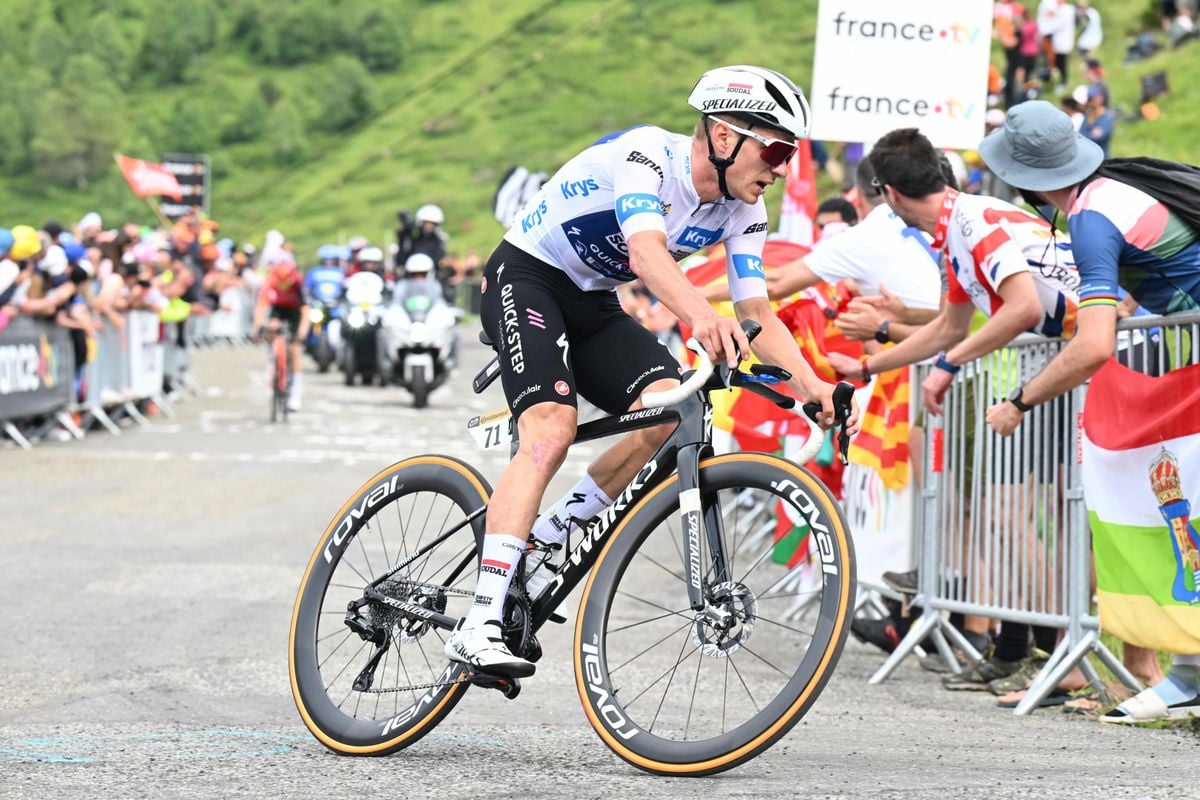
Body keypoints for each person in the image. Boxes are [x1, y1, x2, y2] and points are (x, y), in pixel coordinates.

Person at [444, 65, 860, 677]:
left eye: (790, 156)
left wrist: (812, 386)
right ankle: (478, 620)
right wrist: (698, 317)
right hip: (527, 276)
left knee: (669, 414)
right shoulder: (646, 157)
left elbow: (754, 310)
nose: (781, 167)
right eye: (774, 149)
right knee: (552, 430)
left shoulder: (745, 209)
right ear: (723, 137)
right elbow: (646, 252)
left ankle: (548, 538)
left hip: (593, 302)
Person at [978, 99, 1200, 722]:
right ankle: (1181, 671)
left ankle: (1184, 676)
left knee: (1170, 509)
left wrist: (1020, 401)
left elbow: (1096, 342)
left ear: (1024, 181)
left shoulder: (1092, 218)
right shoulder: (1114, 190)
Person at [252, 252, 310, 411]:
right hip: (278, 310)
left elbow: (306, 311)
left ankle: (295, 394)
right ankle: (272, 360)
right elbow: (261, 307)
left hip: (294, 312)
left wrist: (302, 332)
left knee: (295, 350)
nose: (284, 285)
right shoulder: (269, 282)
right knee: (271, 327)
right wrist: (258, 328)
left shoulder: (298, 283)